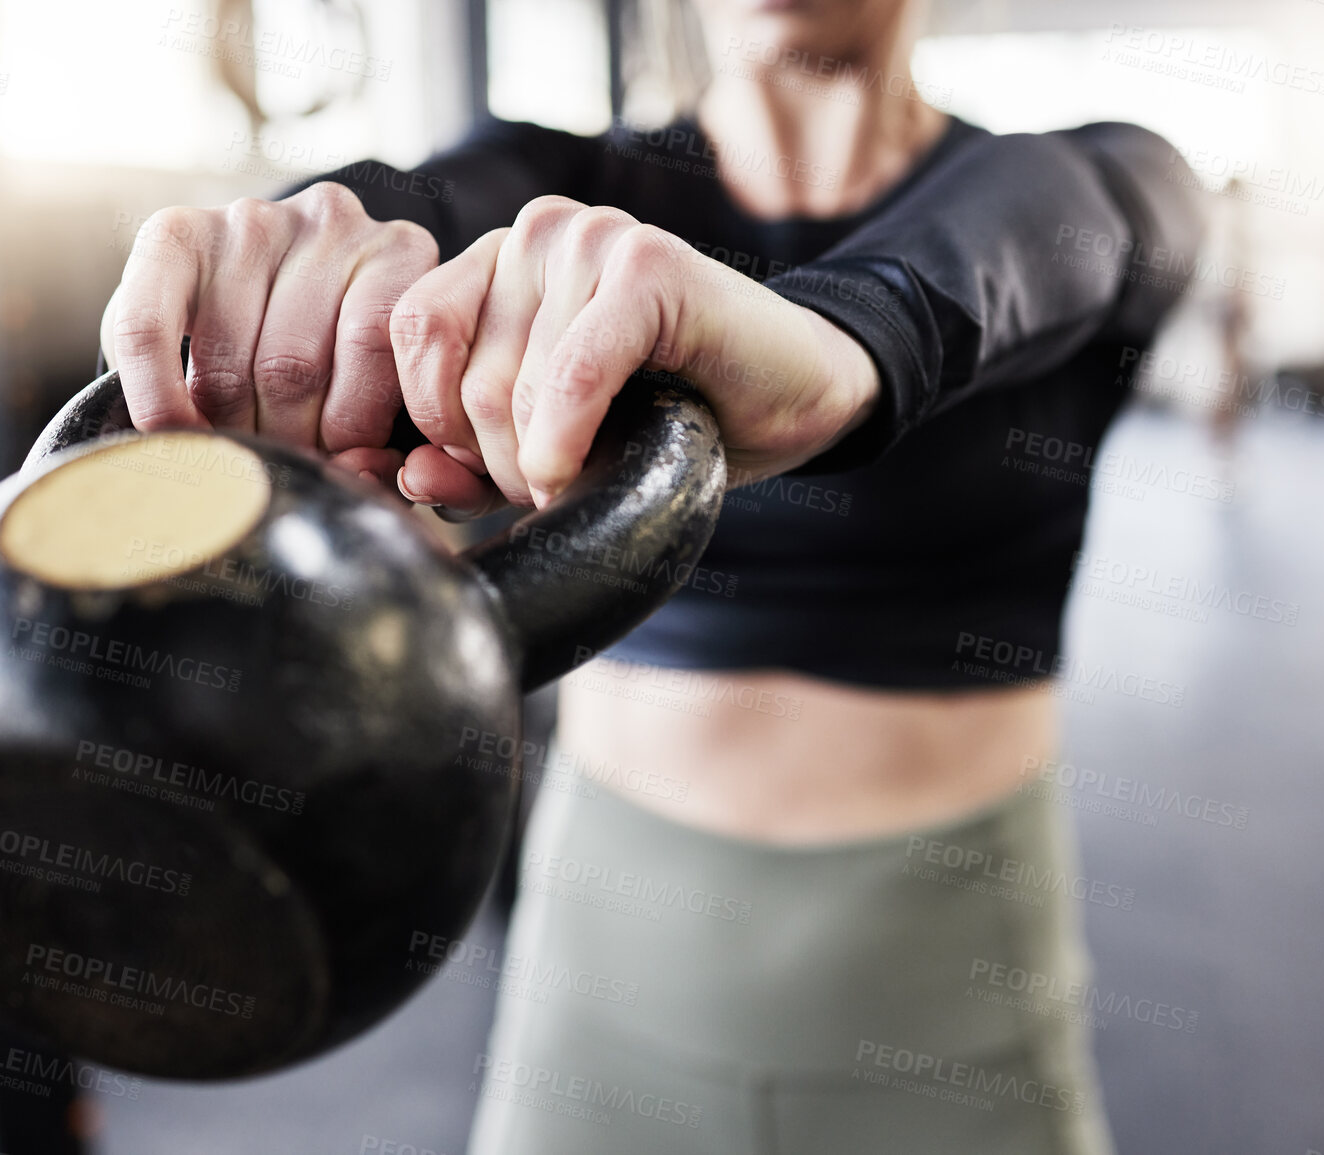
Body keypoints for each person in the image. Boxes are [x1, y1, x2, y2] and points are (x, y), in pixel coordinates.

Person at [100, 0, 1203, 1150]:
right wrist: (281, 264)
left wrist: (843, 337)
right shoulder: (566, 196)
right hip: (610, 955)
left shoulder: (1062, 189)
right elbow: (419, 206)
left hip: (953, 970)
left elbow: (1109, 214)